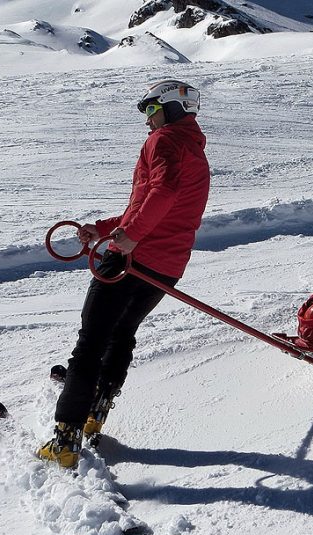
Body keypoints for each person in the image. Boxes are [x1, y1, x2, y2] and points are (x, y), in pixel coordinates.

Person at [38, 79, 210, 468]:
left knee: (90, 343)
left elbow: (162, 193)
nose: (147, 120)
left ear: (171, 108)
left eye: (150, 110)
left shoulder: (165, 140)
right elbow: (151, 202)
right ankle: (95, 411)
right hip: (167, 266)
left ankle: (65, 440)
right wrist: (103, 228)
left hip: (131, 260)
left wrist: (130, 237)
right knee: (122, 332)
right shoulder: (193, 149)